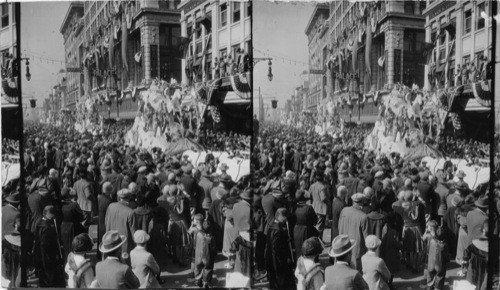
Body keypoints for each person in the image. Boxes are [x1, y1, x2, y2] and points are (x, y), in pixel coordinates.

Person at [33, 205, 66, 287]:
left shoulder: (39, 223)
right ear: (49, 214)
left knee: (43, 280)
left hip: (40, 258)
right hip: (48, 259)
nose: (54, 216)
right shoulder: (47, 227)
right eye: (53, 214)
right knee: (50, 280)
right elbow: (44, 245)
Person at [265, 208, 296, 290]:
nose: (286, 219)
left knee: (274, 282)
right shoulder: (278, 230)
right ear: (280, 216)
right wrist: (286, 258)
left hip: (272, 260)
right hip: (279, 262)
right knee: (282, 283)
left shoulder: (271, 226)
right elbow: (277, 248)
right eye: (285, 217)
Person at [338, 193, 369, 272]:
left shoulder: (344, 210)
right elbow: (367, 239)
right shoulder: (364, 217)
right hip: (356, 251)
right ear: (362, 202)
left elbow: (339, 226)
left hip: (343, 246)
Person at [105, 189, 138, 255]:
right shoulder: (131, 212)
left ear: (119, 197)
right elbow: (134, 233)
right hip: (124, 246)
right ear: (129, 197)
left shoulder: (111, 206)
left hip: (110, 242)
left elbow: (106, 222)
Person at [423, 221, 449, 290]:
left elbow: (424, 240)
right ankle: (437, 288)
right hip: (440, 264)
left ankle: (429, 287)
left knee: (430, 276)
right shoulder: (443, 244)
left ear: (431, 228)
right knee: (439, 277)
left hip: (431, 263)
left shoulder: (430, 239)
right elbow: (446, 256)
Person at [293, 188, 319, 259]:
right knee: (307, 248)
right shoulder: (308, 208)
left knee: (298, 248)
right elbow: (315, 220)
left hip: (296, 230)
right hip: (306, 230)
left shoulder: (294, 207)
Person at [462, 221, 488, 290]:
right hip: (485, 276)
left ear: (483, 231)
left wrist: (464, 266)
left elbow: (466, 253)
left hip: (473, 272)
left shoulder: (474, 244)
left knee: (472, 286)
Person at [193, 218, 217, 288]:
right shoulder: (210, 238)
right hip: (207, 256)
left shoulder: (198, 234)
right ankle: (205, 282)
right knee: (207, 268)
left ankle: (198, 280)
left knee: (198, 267)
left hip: (199, 255)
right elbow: (214, 249)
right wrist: (215, 254)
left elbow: (195, 243)